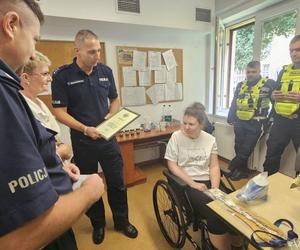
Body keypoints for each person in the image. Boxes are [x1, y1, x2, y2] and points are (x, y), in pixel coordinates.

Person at [0, 1, 105, 249]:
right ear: (11, 25)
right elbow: (21, 236)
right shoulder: (5, 94)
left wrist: (54, 167)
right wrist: (90, 191)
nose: (34, 52)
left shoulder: (10, 89)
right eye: (35, 39)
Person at [51, 29, 138, 244]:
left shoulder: (106, 71)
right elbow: (59, 112)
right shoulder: (62, 76)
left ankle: (121, 220)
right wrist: (84, 128)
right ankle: (98, 224)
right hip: (83, 141)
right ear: (77, 51)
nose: (97, 55)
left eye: (99, 50)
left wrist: (112, 115)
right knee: (90, 184)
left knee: (117, 182)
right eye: (92, 52)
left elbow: (115, 100)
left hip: (108, 140)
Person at [165, 102, 243, 250]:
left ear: (201, 124)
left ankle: (236, 243)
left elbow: (213, 166)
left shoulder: (210, 139)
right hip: (187, 183)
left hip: (209, 181)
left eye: (191, 124)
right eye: (185, 123)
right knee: (215, 213)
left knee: (233, 207)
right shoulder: (176, 137)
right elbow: (172, 165)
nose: (186, 127)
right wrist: (193, 183)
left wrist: (214, 188)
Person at [20, 50, 80, 182]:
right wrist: (60, 153)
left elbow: (52, 139)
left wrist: (64, 165)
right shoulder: (21, 108)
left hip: (55, 169)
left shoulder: (38, 102)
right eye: (45, 74)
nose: (50, 78)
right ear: (26, 78)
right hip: (42, 178)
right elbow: (29, 156)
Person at [226, 61, 276, 181]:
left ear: (259, 72)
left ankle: (233, 166)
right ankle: (241, 171)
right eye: (248, 72)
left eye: (253, 72)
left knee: (246, 148)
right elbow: (234, 102)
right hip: (240, 121)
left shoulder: (269, 84)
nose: (250, 74)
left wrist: (270, 120)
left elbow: (276, 103)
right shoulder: (240, 85)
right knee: (238, 146)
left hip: (257, 123)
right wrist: (231, 117)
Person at [263, 35, 300, 175]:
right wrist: (273, 95)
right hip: (281, 120)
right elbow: (275, 91)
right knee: (271, 154)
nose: (294, 53)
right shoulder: (284, 71)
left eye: (298, 50)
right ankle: (266, 185)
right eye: (291, 50)